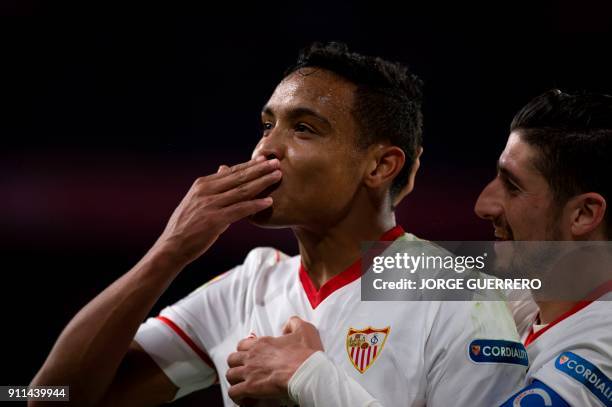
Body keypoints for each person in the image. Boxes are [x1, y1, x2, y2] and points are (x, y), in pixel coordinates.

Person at [30, 43, 526, 407]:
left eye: (304, 129)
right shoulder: (249, 286)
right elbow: (48, 396)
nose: (266, 149)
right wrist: (170, 251)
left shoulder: (458, 297)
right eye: (268, 125)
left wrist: (310, 380)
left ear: (379, 167)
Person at [474, 90, 612, 406]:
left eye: (512, 186)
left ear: (583, 214)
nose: (484, 205)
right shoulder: (529, 302)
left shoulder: (602, 349)